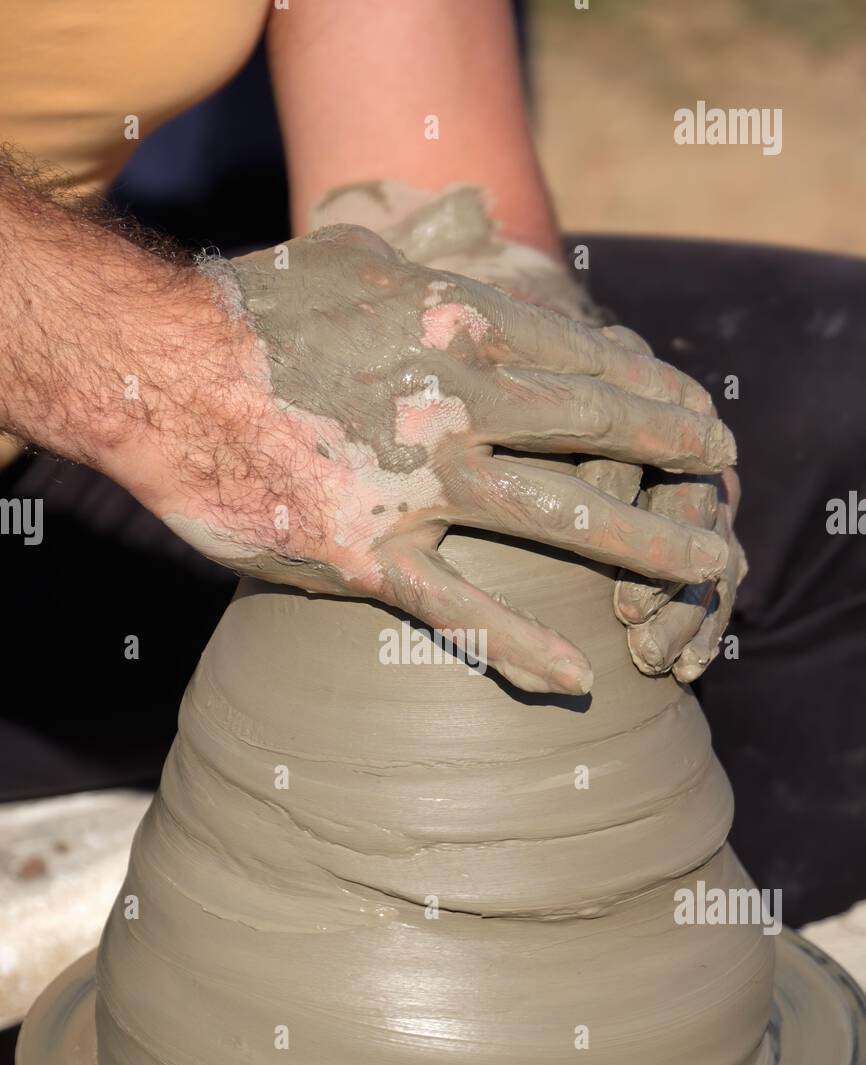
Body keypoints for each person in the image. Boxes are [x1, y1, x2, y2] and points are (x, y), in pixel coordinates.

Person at [0, 1, 862, 925]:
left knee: (836, 399)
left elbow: (422, 178)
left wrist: (564, 400)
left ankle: (708, 982)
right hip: (86, 382)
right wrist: (175, 375)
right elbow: (168, 368)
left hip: (109, 351)